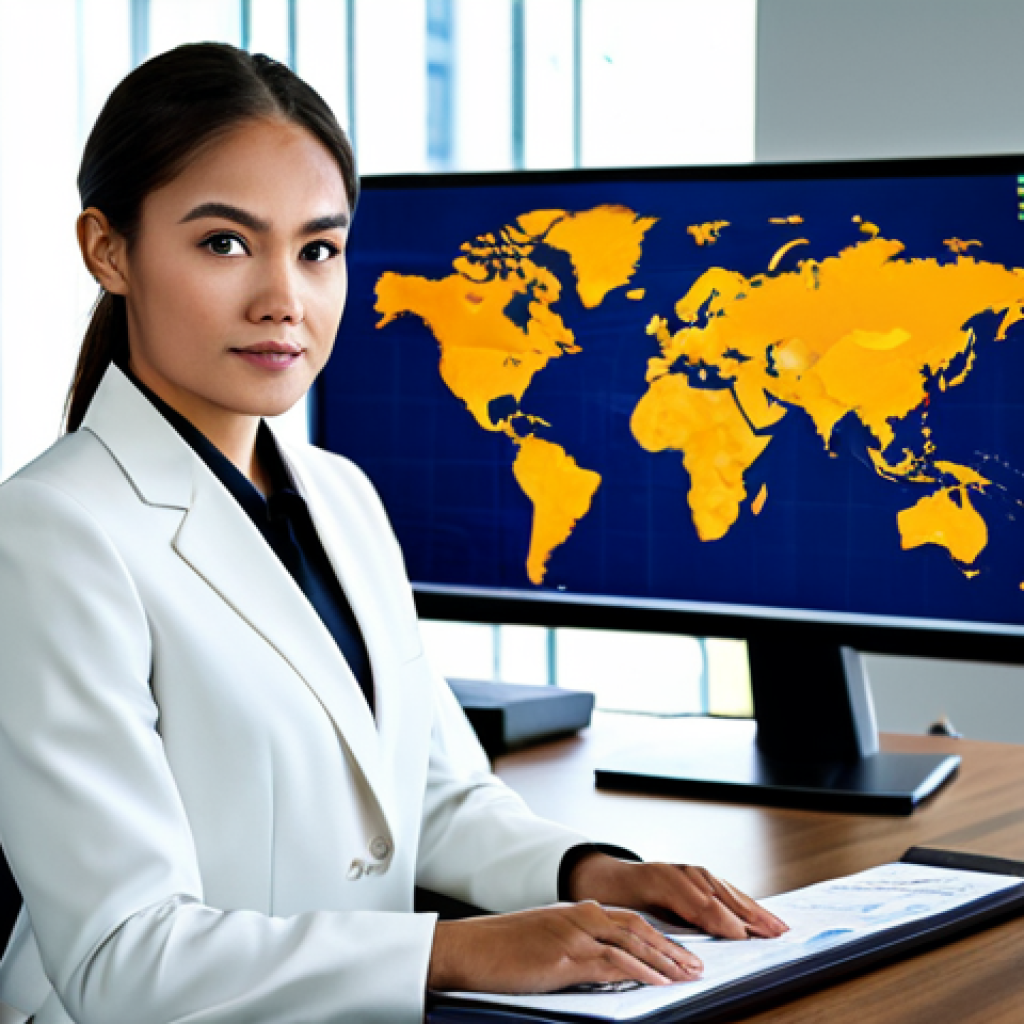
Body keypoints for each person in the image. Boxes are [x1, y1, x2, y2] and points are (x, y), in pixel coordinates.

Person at [0, 42, 785, 1024]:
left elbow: (428, 795)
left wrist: (590, 872)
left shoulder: (340, 496)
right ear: (108, 250)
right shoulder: (51, 533)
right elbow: (126, 957)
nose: (283, 297)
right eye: (225, 244)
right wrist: (452, 950)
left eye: (318, 248)